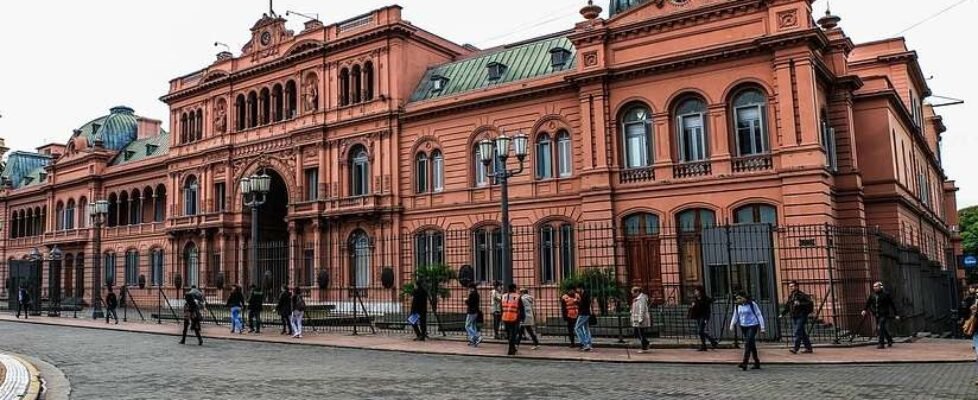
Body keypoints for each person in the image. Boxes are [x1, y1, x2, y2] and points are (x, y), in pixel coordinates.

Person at [730, 291, 765, 371]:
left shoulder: (752, 304)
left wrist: (762, 327)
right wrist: (732, 324)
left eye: (740, 298)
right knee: (751, 344)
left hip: (753, 325)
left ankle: (744, 362)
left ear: (744, 297)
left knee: (747, 343)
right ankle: (756, 362)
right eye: (737, 298)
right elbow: (735, 315)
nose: (738, 300)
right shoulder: (737, 306)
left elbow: (759, 314)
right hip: (743, 326)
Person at [861, 281, 900, 349]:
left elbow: (892, 304)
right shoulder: (872, 295)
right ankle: (889, 339)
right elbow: (868, 303)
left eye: (876, 286)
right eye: (874, 287)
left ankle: (881, 343)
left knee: (881, 326)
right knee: (882, 328)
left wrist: (896, 314)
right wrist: (864, 310)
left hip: (884, 314)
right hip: (876, 314)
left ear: (880, 287)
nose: (875, 288)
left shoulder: (886, 294)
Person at [688, 285, 718, 351]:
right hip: (698, 316)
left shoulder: (705, 299)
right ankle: (704, 345)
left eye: (696, 291)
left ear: (700, 291)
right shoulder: (695, 300)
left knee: (700, 331)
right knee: (700, 331)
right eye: (695, 291)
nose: (695, 292)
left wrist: (706, 318)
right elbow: (694, 308)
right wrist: (693, 306)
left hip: (704, 316)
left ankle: (712, 341)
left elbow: (708, 306)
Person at [500, 283, 525, 356]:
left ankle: (512, 348)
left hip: (505, 317)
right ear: (514, 289)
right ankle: (511, 349)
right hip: (514, 317)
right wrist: (523, 318)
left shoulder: (503, 296)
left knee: (508, 334)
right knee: (513, 334)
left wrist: (501, 316)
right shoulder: (517, 296)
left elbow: (501, 307)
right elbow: (521, 308)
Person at [630, 287, 651, 353]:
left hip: (640, 319)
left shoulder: (642, 299)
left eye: (633, 293)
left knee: (640, 333)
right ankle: (646, 343)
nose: (632, 294)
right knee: (637, 332)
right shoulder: (636, 299)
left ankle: (644, 347)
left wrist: (640, 319)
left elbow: (642, 309)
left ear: (637, 292)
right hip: (636, 318)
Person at [574, 284, 594, 352]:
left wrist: (577, 301)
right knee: (586, 328)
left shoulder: (584, 295)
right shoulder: (585, 294)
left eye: (577, 289)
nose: (577, 291)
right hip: (586, 313)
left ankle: (584, 343)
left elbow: (583, 305)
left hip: (583, 314)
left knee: (577, 328)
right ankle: (588, 344)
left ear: (580, 288)